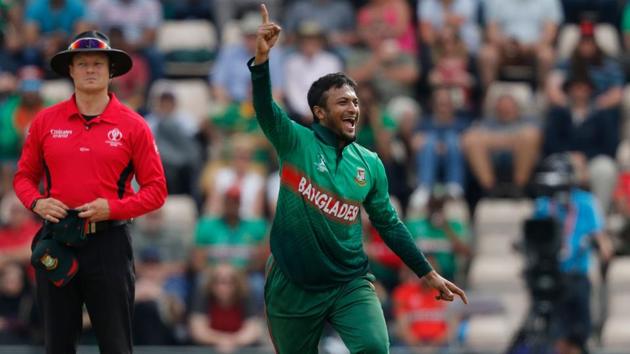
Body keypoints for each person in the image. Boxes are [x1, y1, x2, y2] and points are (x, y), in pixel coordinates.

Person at [250, 5, 467, 353]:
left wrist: (426, 273)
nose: (353, 108)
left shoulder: (370, 163)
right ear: (319, 113)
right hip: (292, 280)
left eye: (354, 101)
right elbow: (264, 109)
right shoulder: (295, 141)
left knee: (374, 348)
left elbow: (390, 225)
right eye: (342, 103)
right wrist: (261, 61)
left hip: (348, 281)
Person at [12, 30, 167, 354]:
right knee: (56, 344)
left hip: (109, 243)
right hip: (58, 238)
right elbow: (23, 177)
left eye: (98, 63)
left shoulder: (133, 124)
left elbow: (156, 191)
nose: (90, 69)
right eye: (82, 63)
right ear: (70, 70)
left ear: (111, 70)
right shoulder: (44, 121)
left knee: (116, 346)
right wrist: (37, 203)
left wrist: (112, 209)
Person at [532, 153, 613, 354]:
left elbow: (602, 241)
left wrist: (602, 248)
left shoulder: (586, 202)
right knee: (554, 336)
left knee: (577, 336)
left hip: (577, 276)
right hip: (551, 275)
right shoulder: (543, 204)